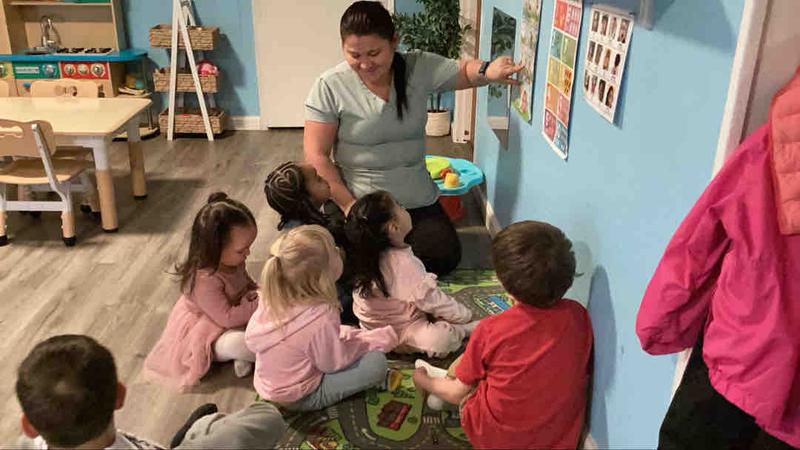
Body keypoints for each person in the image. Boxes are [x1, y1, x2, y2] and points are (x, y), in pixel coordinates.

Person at [304, 1, 522, 276]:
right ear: (342, 47)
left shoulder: (417, 66)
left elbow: (465, 71)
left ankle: (387, 266)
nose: (365, 63)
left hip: (414, 199)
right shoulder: (329, 86)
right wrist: (349, 206)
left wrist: (489, 71)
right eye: (354, 55)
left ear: (394, 42)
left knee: (443, 256)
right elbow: (317, 156)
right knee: (339, 264)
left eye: (374, 53)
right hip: (358, 200)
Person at [412, 221, 593, 449]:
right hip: (558, 440)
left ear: (502, 282)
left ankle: (440, 382)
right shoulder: (578, 315)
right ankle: (449, 382)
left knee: (469, 368)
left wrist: (423, 380)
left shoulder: (491, 329)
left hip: (496, 439)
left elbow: (458, 393)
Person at [15, 334, 286, 450]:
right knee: (262, 419)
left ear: (29, 426)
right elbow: (266, 422)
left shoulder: (27, 443)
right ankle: (193, 433)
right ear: (120, 396)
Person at [245, 225, 398, 411]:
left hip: (268, 387)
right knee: (376, 364)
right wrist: (367, 343)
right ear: (322, 277)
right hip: (302, 396)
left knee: (346, 333)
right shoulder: (321, 317)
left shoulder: (272, 296)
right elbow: (332, 364)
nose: (338, 250)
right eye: (333, 250)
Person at [144, 193, 259, 390]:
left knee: (263, 323)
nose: (248, 253)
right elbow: (227, 318)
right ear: (214, 249)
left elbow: (246, 282)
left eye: (249, 247)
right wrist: (257, 304)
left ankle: (244, 355)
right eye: (242, 250)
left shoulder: (233, 260)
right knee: (236, 343)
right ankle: (248, 353)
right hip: (208, 329)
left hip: (233, 313)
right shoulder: (204, 280)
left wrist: (259, 291)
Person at [345, 191, 479, 358]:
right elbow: (430, 299)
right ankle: (463, 331)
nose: (405, 209)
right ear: (393, 227)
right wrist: (463, 315)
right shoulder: (401, 264)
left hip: (374, 329)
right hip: (405, 329)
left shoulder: (364, 256)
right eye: (400, 206)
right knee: (442, 339)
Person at [264, 161, 357, 324]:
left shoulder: (305, 222)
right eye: (318, 179)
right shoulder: (308, 241)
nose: (324, 179)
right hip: (335, 309)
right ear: (304, 197)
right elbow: (330, 288)